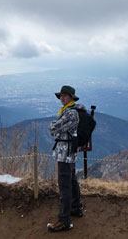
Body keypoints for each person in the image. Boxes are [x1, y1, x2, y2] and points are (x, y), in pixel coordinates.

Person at [47, 85, 85, 232]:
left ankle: (64, 220)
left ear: (71, 98)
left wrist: (53, 125)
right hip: (69, 152)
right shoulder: (70, 111)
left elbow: (52, 128)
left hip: (65, 153)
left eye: (65, 96)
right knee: (72, 181)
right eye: (61, 96)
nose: (62, 98)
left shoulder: (70, 113)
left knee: (64, 186)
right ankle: (76, 208)